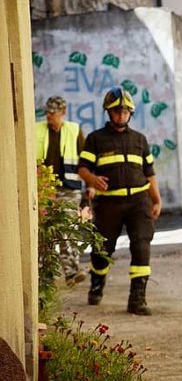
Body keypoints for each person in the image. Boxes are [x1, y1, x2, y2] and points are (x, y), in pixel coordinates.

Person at [77, 86, 162, 315]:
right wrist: (93, 179)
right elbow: (83, 168)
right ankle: (97, 284)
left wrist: (156, 200)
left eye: (125, 111)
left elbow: (150, 173)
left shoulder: (140, 140)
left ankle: (137, 299)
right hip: (108, 205)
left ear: (130, 113)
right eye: (117, 111)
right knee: (103, 249)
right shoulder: (96, 139)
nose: (121, 115)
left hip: (139, 203)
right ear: (108, 112)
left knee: (141, 245)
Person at [35, 95, 87, 286]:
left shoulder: (74, 130)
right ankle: (44, 275)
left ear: (62, 112)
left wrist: (90, 188)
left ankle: (72, 272)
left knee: (67, 229)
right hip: (44, 189)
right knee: (44, 231)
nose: (49, 116)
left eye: (53, 113)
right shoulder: (37, 129)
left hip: (69, 188)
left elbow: (85, 161)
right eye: (47, 112)